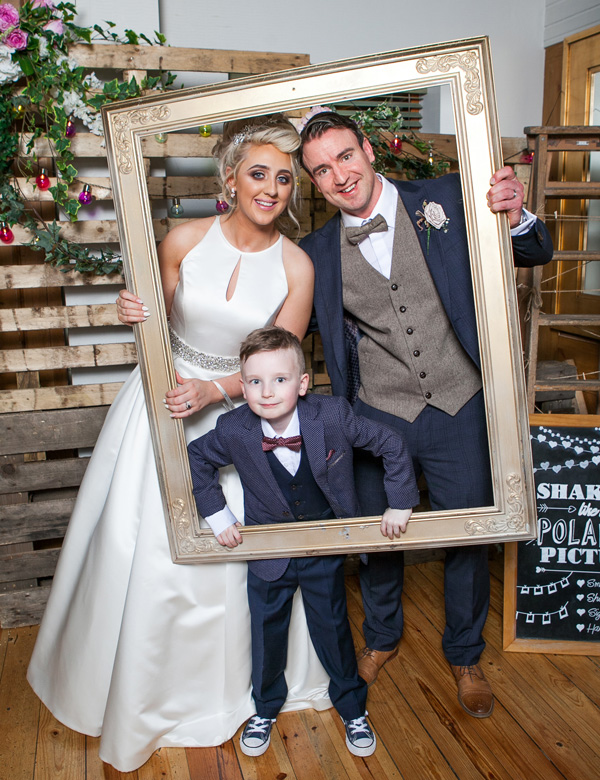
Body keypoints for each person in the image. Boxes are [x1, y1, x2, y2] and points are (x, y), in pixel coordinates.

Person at [27, 115, 332, 772]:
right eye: (258, 174)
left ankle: (228, 694)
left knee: (230, 560)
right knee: (138, 548)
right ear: (231, 178)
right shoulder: (183, 241)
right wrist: (131, 311)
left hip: (239, 419)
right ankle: (134, 691)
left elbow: (280, 368)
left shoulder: (297, 266)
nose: (271, 189)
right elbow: (155, 327)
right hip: (158, 407)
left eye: (284, 179)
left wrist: (214, 393)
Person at [298, 111, 553, 719]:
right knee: (379, 537)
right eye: (322, 170)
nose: (339, 176)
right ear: (314, 183)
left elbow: (535, 250)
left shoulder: (450, 197)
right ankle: (382, 637)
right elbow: (274, 321)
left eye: (345, 156)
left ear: (368, 150)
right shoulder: (315, 253)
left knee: (468, 534)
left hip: (460, 401)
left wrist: (516, 215)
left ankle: (465, 654)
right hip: (376, 413)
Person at [187, 326, 419, 757]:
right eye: (255, 381)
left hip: (322, 547)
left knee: (332, 628)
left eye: (279, 379)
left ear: (302, 383)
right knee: (265, 632)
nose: (267, 391)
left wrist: (401, 502)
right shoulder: (234, 428)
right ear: (243, 386)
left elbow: (390, 442)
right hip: (268, 552)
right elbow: (196, 457)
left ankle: (352, 707)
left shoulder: (331, 416)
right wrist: (219, 515)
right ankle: (265, 708)